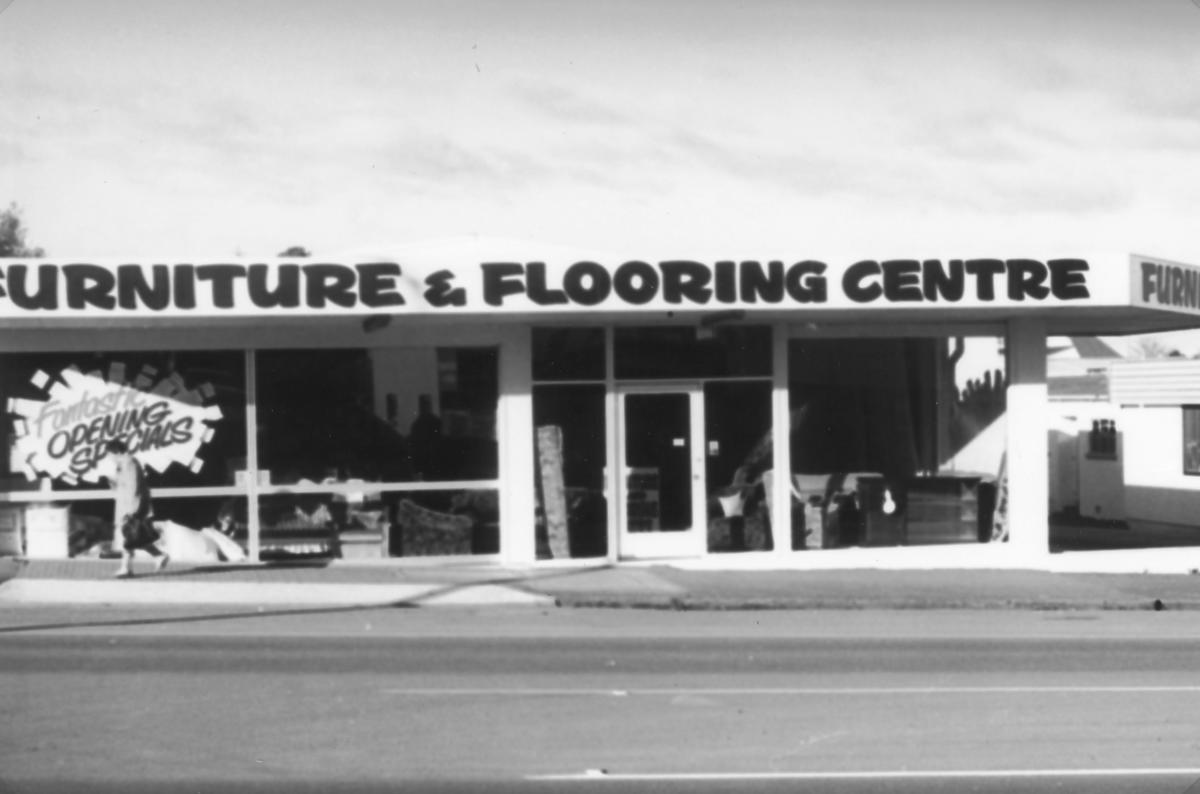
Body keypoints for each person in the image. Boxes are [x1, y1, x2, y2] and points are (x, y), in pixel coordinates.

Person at [106, 439, 169, 577]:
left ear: (116, 452)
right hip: (126, 507)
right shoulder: (123, 465)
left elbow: (134, 488)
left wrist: (132, 512)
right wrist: (113, 483)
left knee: (129, 537)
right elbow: (123, 486)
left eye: (110, 454)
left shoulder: (130, 463)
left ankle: (126, 568)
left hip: (132, 508)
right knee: (136, 538)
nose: (109, 458)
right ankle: (159, 555)